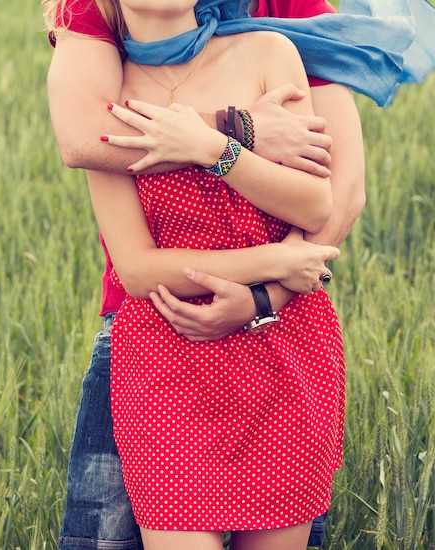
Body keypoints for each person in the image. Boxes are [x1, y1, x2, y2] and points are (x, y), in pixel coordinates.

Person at [44, 1, 366, 549]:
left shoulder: (270, 50)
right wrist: (273, 263)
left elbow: (322, 204)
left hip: (282, 350)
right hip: (166, 355)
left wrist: (212, 148)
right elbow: (138, 266)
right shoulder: (108, 97)